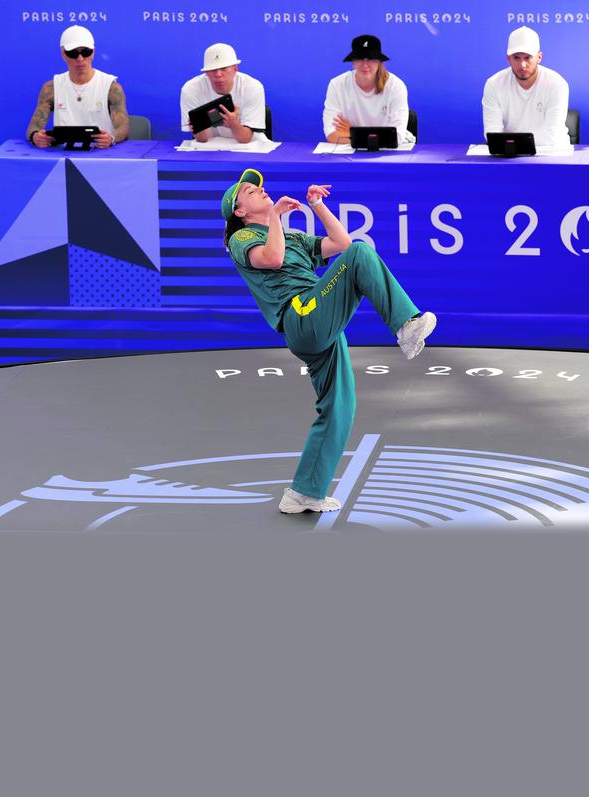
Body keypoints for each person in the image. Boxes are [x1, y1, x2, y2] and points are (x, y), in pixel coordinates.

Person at [221, 169, 436, 514]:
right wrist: (275, 216)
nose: (260, 191)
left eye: (260, 187)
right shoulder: (242, 239)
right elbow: (273, 259)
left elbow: (341, 244)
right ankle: (405, 325)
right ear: (239, 211)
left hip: (319, 319)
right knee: (362, 256)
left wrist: (317, 206)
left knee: (340, 406)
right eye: (249, 191)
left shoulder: (292, 237)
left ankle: (305, 492)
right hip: (302, 315)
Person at [26, 25, 129, 149]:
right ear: (63, 55)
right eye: (73, 53)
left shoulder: (111, 87)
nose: (80, 59)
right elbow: (34, 126)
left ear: (93, 53)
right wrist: (35, 136)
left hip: (101, 154)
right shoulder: (51, 88)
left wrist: (111, 138)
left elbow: (124, 127)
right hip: (63, 155)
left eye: (86, 52)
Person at [482, 26, 570, 149]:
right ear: (508, 59)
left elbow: (552, 136)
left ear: (539, 57)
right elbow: (492, 134)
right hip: (509, 156)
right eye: (516, 57)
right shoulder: (494, 84)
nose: (522, 65)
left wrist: (512, 143)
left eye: (528, 57)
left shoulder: (557, 84)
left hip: (552, 154)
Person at [323, 34, 415, 145]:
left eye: (371, 58)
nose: (365, 64)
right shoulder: (337, 85)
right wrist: (370, 137)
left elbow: (397, 137)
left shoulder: (396, 86)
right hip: (351, 155)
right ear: (353, 61)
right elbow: (331, 134)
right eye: (360, 58)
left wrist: (351, 131)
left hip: (390, 155)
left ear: (379, 62)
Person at [180, 43, 266, 143]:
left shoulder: (252, 87)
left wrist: (234, 124)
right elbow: (201, 139)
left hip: (249, 146)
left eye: (224, 68)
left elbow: (245, 139)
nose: (218, 74)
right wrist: (198, 126)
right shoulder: (191, 89)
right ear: (206, 73)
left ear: (235, 69)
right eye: (212, 70)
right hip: (210, 147)